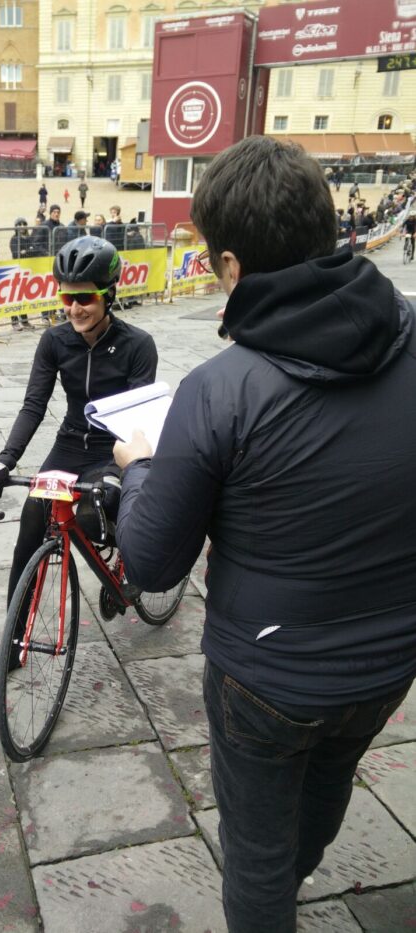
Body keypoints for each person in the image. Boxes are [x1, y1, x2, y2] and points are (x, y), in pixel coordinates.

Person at [113, 135, 416, 933]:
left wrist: (143, 467)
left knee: (253, 855)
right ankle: (296, 867)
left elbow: (148, 561)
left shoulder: (223, 390)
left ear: (232, 268)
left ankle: (274, 888)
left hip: (267, 676)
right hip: (388, 662)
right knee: (329, 776)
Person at [0, 236, 158, 684]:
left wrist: (122, 475)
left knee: (99, 512)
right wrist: (3, 461)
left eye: (86, 298)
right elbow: (34, 405)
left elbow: (137, 419)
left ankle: (128, 572)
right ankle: (11, 646)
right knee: (33, 520)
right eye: (67, 297)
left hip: (115, 444)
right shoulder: (54, 340)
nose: (75, 308)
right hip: (71, 443)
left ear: (109, 293)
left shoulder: (138, 345)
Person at [9, 218, 35, 331]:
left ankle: (24, 321)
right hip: (17, 270)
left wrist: (26, 251)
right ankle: (14, 321)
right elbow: (16, 253)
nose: (22, 226)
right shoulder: (14, 239)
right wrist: (27, 250)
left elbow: (34, 251)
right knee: (15, 297)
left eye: (24, 224)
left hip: (27, 270)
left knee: (24, 296)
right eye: (19, 224)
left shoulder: (29, 238)